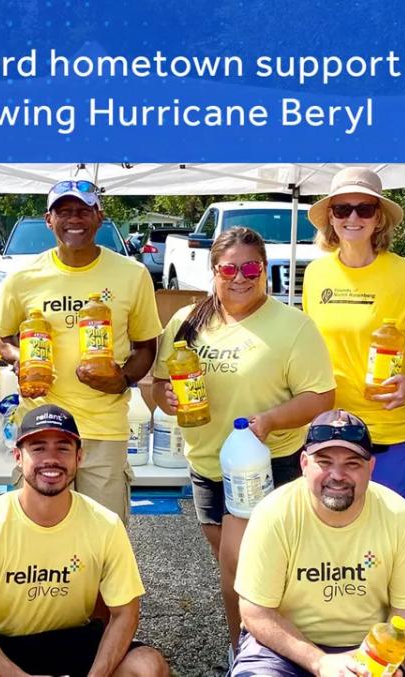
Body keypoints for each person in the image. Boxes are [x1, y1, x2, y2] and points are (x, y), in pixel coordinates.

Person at [150, 227, 335, 657]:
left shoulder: (293, 326)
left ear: (265, 270)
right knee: (235, 565)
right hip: (207, 462)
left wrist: (270, 420)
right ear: (213, 270)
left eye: (251, 267)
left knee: (248, 565)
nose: (240, 277)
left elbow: (321, 397)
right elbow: (158, 386)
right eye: (229, 268)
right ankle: (265, 645)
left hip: (267, 463)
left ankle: (250, 653)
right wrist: (167, 397)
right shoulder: (186, 322)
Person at [0, 404, 169, 676]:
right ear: (17, 456)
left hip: (72, 638)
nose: (51, 459)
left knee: (147, 666)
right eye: (38, 448)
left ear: (79, 457)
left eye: (63, 448)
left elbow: (125, 613)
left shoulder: (105, 524)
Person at [0, 180, 162, 524]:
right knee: (40, 531)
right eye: (64, 211)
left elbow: (146, 346)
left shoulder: (132, 274)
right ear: (48, 220)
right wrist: (19, 358)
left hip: (104, 428)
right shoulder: (23, 277)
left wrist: (124, 379)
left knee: (104, 534)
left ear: (99, 217)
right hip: (42, 426)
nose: (74, 219)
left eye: (84, 210)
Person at [233, 410, 405, 677]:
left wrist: (393, 665)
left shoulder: (399, 516)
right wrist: (319, 662)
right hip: (289, 647)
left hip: (373, 648)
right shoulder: (274, 514)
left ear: (371, 467)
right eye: (324, 462)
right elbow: (256, 612)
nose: (337, 475)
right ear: (303, 463)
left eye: (352, 464)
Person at [303, 167, 405, 510]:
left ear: (379, 218)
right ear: (330, 218)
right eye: (342, 208)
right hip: (333, 431)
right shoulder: (317, 273)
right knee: (335, 540)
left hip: (393, 433)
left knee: (393, 538)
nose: (353, 217)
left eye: (364, 208)